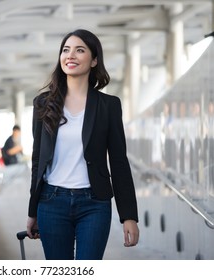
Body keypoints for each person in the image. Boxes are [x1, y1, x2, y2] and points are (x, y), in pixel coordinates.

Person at [26, 29, 139, 260]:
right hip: (51, 202)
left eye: (80, 50)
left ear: (94, 60)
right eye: (66, 50)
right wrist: (32, 211)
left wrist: (129, 216)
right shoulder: (43, 104)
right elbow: (37, 160)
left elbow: (118, 162)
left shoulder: (108, 106)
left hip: (94, 204)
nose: (71, 55)